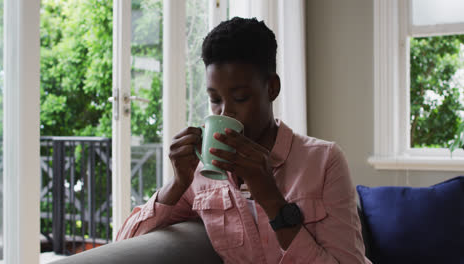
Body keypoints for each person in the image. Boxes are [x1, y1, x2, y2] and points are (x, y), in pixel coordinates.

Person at [116, 17, 370, 264]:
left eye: (240, 98)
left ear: (271, 88)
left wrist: (271, 198)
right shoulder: (201, 175)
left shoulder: (324, 161)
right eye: (215, 100)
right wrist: (178, 183)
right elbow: (124, 246)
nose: (225, 113)